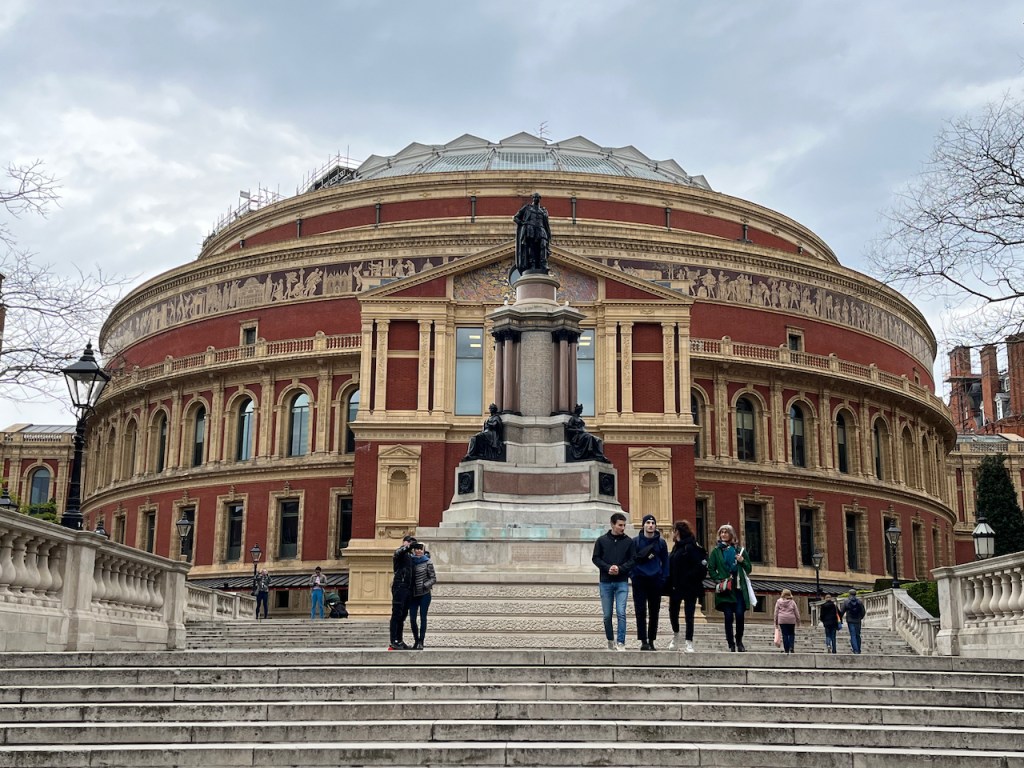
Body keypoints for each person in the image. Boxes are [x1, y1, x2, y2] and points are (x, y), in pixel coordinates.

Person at [592, 512, 636, 650]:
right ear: (612, 524)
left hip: (622, 581)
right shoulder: (601, 540)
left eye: (624, 525)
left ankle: (621, 642)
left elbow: (633, 560)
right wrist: (607, 568)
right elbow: (596, 558)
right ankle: (610, 640)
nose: (623, 528)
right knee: (607, 615)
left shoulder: (629, 542)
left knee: (621, 612)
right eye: (620, 525)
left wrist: (620, 569)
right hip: (605, 582)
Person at [706, 523, 753, 652]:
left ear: (731, 535)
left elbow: (749, 569)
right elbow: (711, 568)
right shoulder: (716, 551)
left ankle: (739, 641)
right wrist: (718, 580)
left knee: (739, 615)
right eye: (721, 532)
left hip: (738, 590)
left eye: (726, 532)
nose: (723, 534)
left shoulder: (740, 550)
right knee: (728, 617)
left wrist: (742, 561)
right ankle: (730, 643)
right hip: (725, 590)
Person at [667, 520, 707, 652]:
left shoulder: (691, 547)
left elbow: (699, 567)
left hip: (690, 587)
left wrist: (687, 577)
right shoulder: (676, 547)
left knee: (689, 615)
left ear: (677, 532)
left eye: (674, 530)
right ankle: (676, 635)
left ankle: (689, 641)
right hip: (675, 586)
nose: (673, 533)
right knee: (673, 612)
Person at [631, 514, 669, 650]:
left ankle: (652, 640)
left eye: (653, 523)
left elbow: (665, 561)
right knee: (640, 611)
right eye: (648, 522)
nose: (650, 525)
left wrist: (663, 578)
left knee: (654, 612)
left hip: (655, 581)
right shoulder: (635, 542)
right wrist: (633, 575)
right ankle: (643, 641)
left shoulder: (661, 543)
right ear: (643, 525)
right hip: (639, 580)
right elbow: (631, 561)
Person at [389, 534, 417, 650]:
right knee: (396, 613)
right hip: (399, 586)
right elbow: (400, 552)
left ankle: (399, 640)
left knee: (402, 615)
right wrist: (408, 547)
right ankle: (393, 640)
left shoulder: (411, 557)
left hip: (408, 588)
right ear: (404, 542)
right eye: (409, 542)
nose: (411, 545)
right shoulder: (399, 553)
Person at [513, 192, 551, 273]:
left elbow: (546, 224)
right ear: (532, 198)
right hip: (530, 229)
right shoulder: (527, 208)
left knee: (543, 245)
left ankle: (543, 263)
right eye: (534, 197)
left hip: (541, 229)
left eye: (537, 197)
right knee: (531, 247)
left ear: (539, 199)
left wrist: (548, 235)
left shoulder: (543, 211)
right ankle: (532, 264)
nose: (535, 199)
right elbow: (516, 218)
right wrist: (522, 224)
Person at [408, 541, 437, 650]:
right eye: (417, 549)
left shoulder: (428, 562)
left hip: (424, 594)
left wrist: (425, 585)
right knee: (412, 619)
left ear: (424, 550)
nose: (419, 551)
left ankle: (421, 641)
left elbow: (433, 578)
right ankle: (416, 640)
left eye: (421, 549)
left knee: (423, 618)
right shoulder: (410, 561)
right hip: (413, 595)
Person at [774, 588, 801, 654]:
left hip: (782, 620)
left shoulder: (778, 601)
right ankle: (791, 647)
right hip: (791, 620)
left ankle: (786, 649)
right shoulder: (792, 602)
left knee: (785, 634)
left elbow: (776, 612)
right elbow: (796, 612)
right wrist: (798, 621)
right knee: (791, 634)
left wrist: (776, 622)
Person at [841, 588, 866, 654]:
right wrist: (860, 617)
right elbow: (863, 611)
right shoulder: (859, 602)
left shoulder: (846, 601)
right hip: (858, 620)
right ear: (855, 594)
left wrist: (840, 620)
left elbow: (842, 611)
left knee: (853, 635)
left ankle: (855, 650)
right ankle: (859, 649)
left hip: (850, 620)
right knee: (858, 635)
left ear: (849, 594)